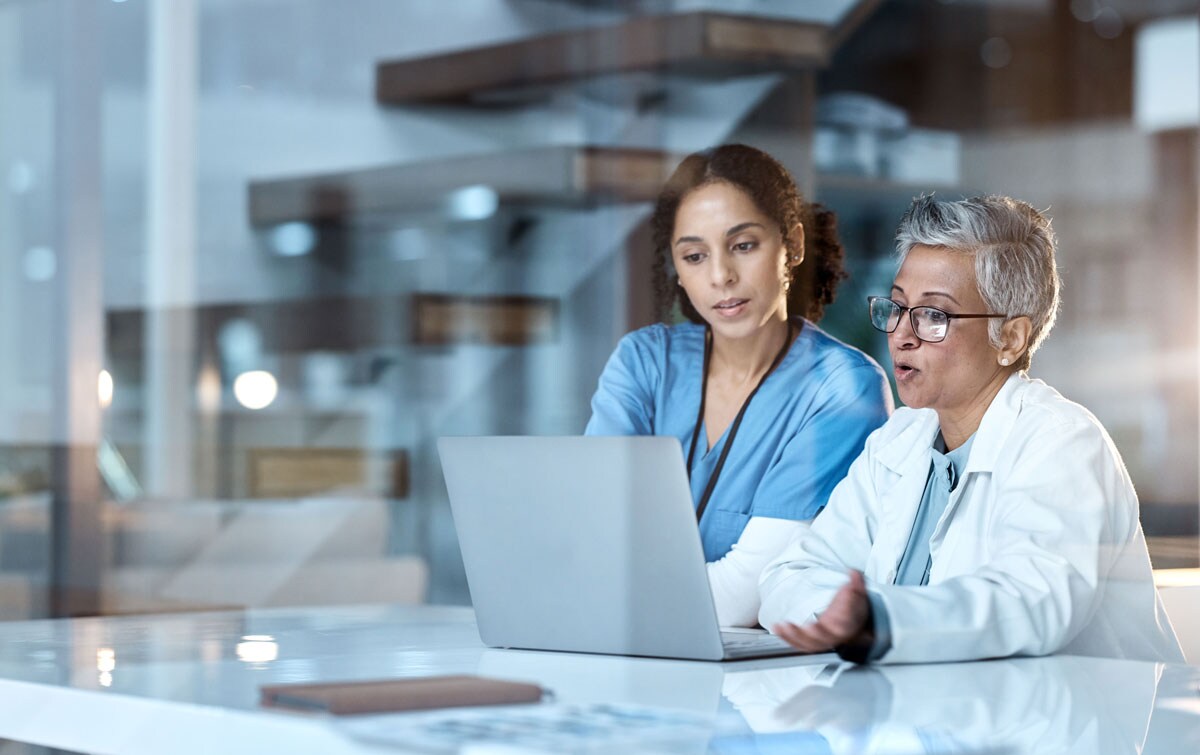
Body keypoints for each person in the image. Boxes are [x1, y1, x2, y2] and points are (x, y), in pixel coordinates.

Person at [759, 194, 1184, 663]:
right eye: (897, 307)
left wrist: (878, 620)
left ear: (1011, 337)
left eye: (934, 315)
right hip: (932, 717)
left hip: (1073, 726)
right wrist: (839, 618)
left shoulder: (1062, 443)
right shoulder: (897, 442)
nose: (902, 334)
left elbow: (1030, 602)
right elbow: (790, 574)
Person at [585, 144, 892, 627]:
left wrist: (609, 591)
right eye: (694, 255)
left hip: (764, 683)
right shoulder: (645, 363)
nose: (721, 276)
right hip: (636, 657)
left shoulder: (842, 389)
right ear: (678, 270)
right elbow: (592, 542)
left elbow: (741, 600)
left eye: (743, 245)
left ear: (792, 244)